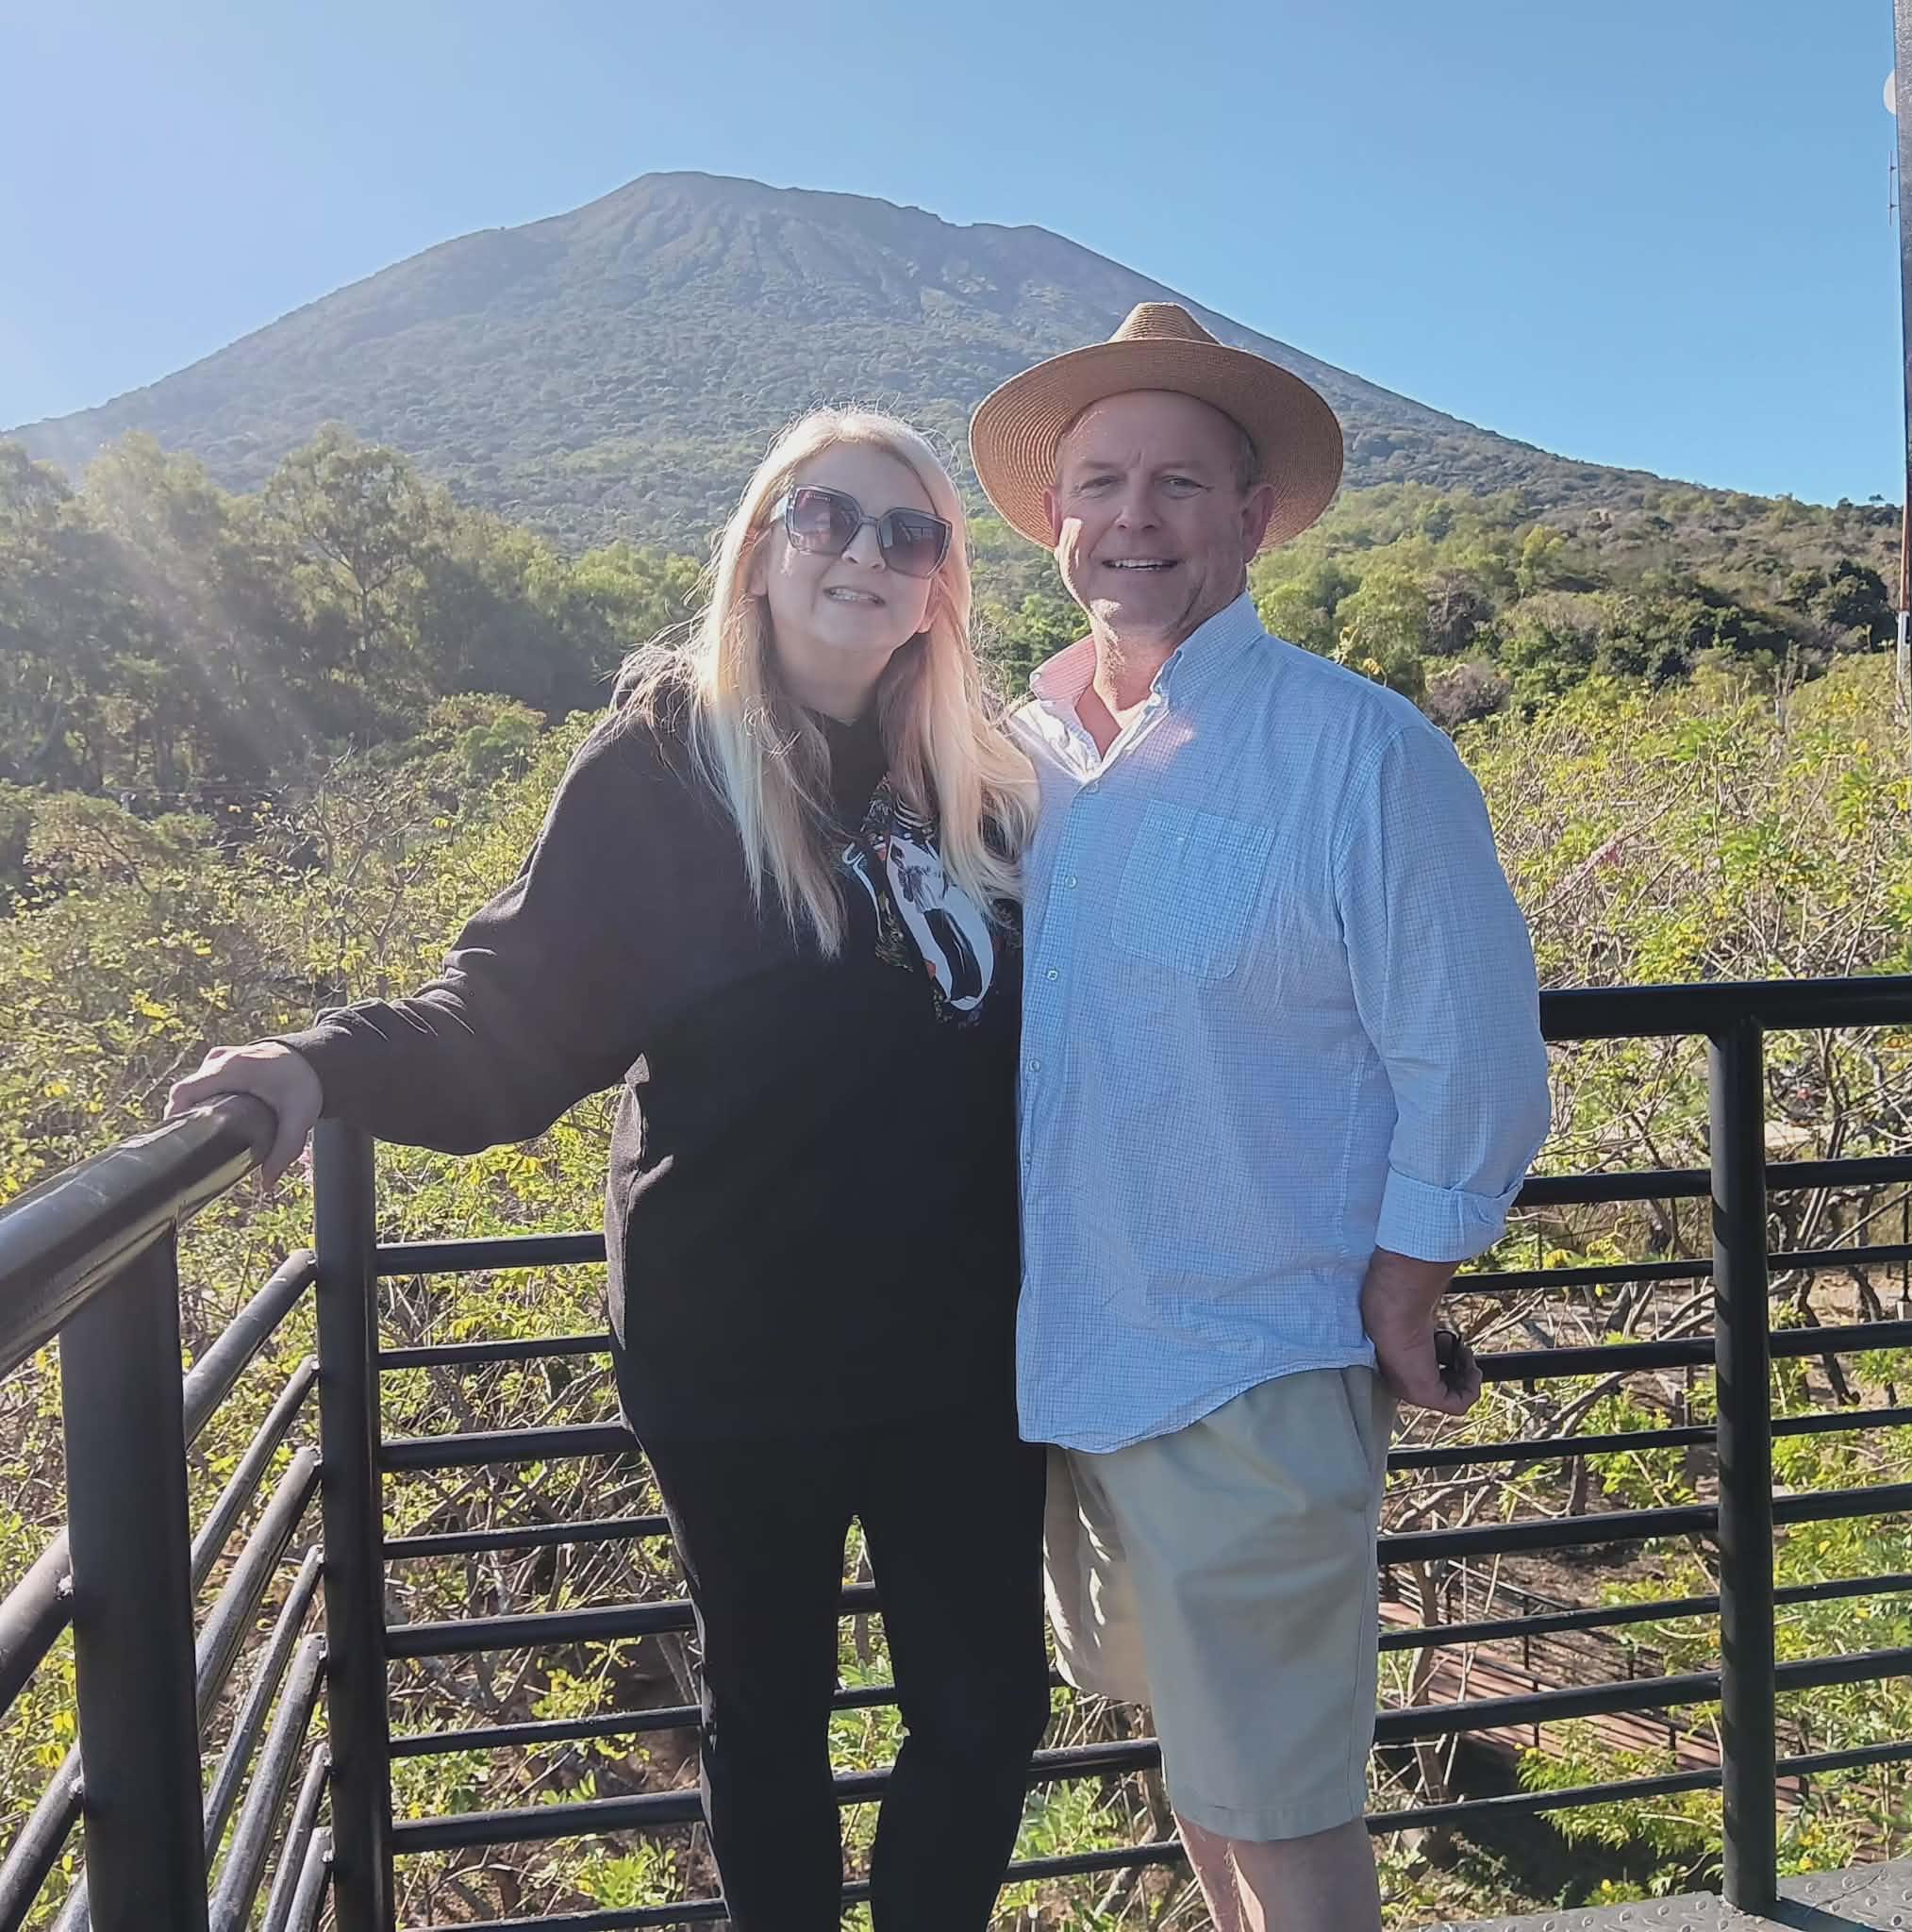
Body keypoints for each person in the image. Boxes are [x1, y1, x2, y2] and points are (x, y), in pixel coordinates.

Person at [167, 409, 1050, 1931]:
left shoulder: (982, 787)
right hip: (741, 1354)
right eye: (826, 516)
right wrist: (319, 1065)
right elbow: (512, 1016)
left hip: (962, 1353)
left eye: (909, 533)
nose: (864, 552)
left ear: (939, 590)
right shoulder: (663, 770)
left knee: (985, 1709)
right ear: (760, 548)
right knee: (769, 1710)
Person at [969, 305, 1553, 1932]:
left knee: (1283, 1819)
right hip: (1067, 1360)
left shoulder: (1358, 753)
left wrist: (1405, 1290)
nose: (1134, 519)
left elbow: (1476, 1060)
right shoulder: (1017, 756)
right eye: (1101, 483)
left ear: (1253, 514)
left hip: (1253, 1362)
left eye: (1177, 483)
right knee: (1199, 1770)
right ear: (1055, 516)